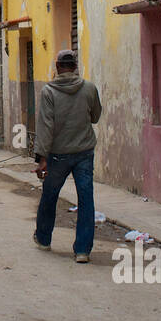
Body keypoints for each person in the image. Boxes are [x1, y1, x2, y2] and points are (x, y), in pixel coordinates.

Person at [33, 49, 103, 263]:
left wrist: (41, 158)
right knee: (86, 199)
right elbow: (96, 117)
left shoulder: (48, 92)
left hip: (57, 155)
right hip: (84, 153)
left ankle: (44, 239)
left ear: (57, 68)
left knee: (50, 196)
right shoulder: (89, 88)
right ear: (75, 66)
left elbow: (45, 127)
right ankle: (82, 250)